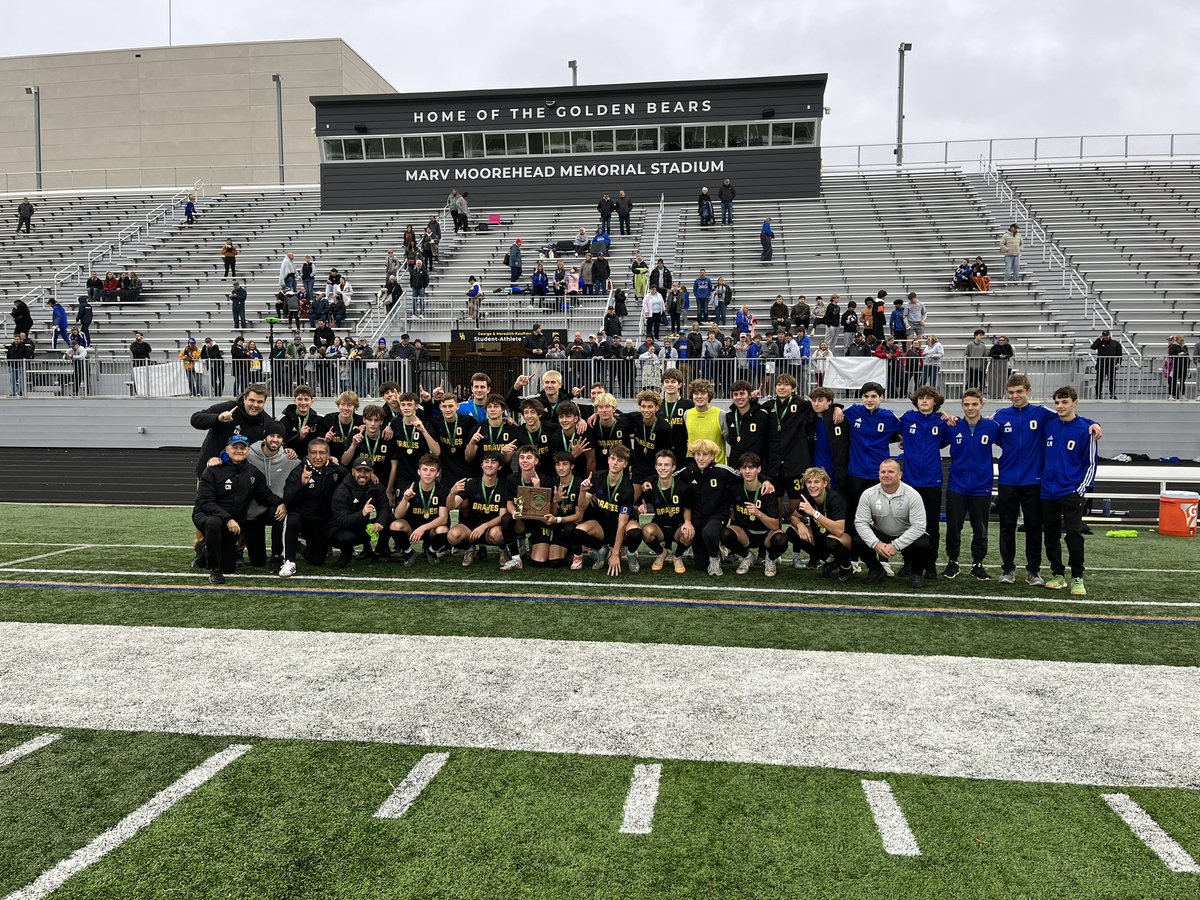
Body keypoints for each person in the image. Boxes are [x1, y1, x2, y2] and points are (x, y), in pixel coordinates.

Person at [192, 434, 285, 583]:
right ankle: (214, 570)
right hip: (207, 515)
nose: (239, 451)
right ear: (227, 449)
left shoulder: (253, 473)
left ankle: (204, 549)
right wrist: (227, 518)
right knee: (214, 523)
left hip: (233, 522)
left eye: (243, 448)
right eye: (235, 447)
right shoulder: (213, 470)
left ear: (247, 451)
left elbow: (265, 495)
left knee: (228, 566)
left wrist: (280, 503)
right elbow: (204, 502)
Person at [1040, 386, 1099, 596]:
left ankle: (1077, 577)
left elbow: (1091, 464)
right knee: (1051, 536)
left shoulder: (1086, 429)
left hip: (1071, 491)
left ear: (1075, 402)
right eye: (1057, 402)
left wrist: (1080, 490)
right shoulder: (1048, 426)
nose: (1060, 406)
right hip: (1048, 491)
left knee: (1074, 533)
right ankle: (1057, 574)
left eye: (1064, 402)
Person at [941, 389, 1001, 580]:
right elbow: (932, 440)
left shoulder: (992, 427)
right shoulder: (953, 426)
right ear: (962, 405)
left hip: (981, 487)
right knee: (953, 527)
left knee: (980, 529)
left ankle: (978, 564)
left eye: (974, 404)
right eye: (966, 404)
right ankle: (953, 562)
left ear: (982, 404)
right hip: (957, 486)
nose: (970, 408)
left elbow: (1012, 442)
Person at [853, 459, 931, 589]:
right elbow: (860, 522)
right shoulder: (868, 494)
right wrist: (876, 544)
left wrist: (896, 545)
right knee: (858, 539)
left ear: (899, 474)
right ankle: (876, 569)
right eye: (883, 472)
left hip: (904, 534)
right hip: (881, 533)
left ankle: (916, 573)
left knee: (923, 543)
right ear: (879, 474)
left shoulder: (912, 495)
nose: (886, 475)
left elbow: (919, 526)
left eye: (891, 472)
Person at [278, 438, 346, 576]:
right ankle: (289, 561)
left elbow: (353, 479)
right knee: (292, 518)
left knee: (317, 561)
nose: (318, 457)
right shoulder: (298, 471)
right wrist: (301, 484)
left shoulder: (336, 471)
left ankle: (299, 547)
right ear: (308, 454)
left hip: (320, 523)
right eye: (314, 453)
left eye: (322, 453)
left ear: (328, 454)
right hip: (302, 519)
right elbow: (288, 500)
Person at [676, 438, 743, 576]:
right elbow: (667, 476)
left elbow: (745, 475)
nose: (701, 458)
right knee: (701, 566)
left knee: (710, 532)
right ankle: (714, 548)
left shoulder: (722, 471)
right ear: (693, 455)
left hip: (717, 515)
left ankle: (715, 559)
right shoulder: (687, 472)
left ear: (713, 456)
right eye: (697, 454)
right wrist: (649, 482)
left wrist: (765, 481)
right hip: (697, 520)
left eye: (705, 454)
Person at [721, 453, 787, 577]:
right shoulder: (735, 487)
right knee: (725, 534)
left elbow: (775, 525)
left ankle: (770, 559)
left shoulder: (768, 490)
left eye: (751, 467)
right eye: (744, 468)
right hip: (746, 533)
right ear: (740, 470)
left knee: (781, 539)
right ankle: (747, 556)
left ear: (759, 469)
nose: (747, 471)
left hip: (766, 534)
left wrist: (758, 513)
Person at [246, 422, 300, 571]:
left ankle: (277, 555)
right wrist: (215, 459)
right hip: (253, 508)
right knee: (257, 561)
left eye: (279, 436)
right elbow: (231, 456)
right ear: (265, 437)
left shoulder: (290, 458)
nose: (275, 439)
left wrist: (332, 460)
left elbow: (307, 466)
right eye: (271, 435)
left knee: (278, 513)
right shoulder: (249, 454)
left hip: (276, 505)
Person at [448, 450, 515, 568]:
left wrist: (484, 526)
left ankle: (502, 549)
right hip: (471, 528)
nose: (489, 464)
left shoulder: (504, 486)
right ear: (482, 465)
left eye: (493, 462)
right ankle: (469, 549)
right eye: (486, 461)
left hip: (491, 528)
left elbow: (502, 516)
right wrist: (452, 493)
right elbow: (450, 506)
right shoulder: (471, 484)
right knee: (452, 536)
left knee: (499, 534)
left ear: (499, 467)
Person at [788, 466, 853, 580]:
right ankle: (829, 560)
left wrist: (814, 512)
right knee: (791, 532)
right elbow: (793, 517)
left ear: (825, 483)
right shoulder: (807, 498)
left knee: (831, 541)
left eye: (816, 482)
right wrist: (800, 524)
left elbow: (839, 530)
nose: (812, 486)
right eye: (809, 482)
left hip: (844, 539)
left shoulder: (835, 498)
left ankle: (846, 566)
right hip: (821, 537)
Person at [329, 458, 392, 567]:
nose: (362, 474)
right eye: (359, 471)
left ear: (372, 473)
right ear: (353, 472)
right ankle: (346, 553)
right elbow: (341, 520)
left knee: (390, 519)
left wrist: (379, 522)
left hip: (361, 526)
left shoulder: (376, 486)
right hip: (340, 529)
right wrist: (362, 513)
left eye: (366, 471)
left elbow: (384, 507)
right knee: (347, 537)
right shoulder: (342, 490)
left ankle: (379, 551)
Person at [390, 454, 452, 565]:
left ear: (437, 473)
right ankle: (409, 552)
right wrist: (405, 499)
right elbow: (397, 516)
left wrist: (423, 528)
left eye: (432, 470)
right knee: (395, 525)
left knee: (443, 530)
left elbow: (443, 518)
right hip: (411, 528)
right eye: (425, 470)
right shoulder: (410, 487)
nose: (428, 474)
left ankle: (431, 551)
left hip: (431, 528)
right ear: (419, 471)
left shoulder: (442, 489)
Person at [1090, 329, 1122, 399]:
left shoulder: (1115, 343)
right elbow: (1093, 347)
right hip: (1101, 366)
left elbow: (1119, 355)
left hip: (1111, 366)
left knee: (1112, 381)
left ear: (1109, 335)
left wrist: (1118, 363)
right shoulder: (1100, 343)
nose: (1105, 337)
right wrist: (1098, 339)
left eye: (1106, 336)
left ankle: (1112, 394)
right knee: (1099, 381)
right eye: (1104, 336)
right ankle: (1098, 394)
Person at [987, 335, 1014, 400]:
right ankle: (993, 395)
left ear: (1005, 341)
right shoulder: (995, 346)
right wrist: (999, 356)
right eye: (1000, 340)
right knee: (994, 380)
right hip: (995, 365)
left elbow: (1010, 354)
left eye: (1002, 340)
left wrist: (1005, 356)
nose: (1001, 341)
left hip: (1004, 365)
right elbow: (991, 354)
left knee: (1002, 380)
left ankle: (1001, 395)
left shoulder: (1008, 346)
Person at [6, 332, 33, 396]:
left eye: (17, 339)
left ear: (20, 340)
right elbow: (8, 356)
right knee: (13, 380)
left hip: (21, 366)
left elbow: (27, 356)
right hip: (13, 366)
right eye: (15, 339)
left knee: (21, 380)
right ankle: (13, 392)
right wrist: (9, 364)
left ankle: (21, 391)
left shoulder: (24, 347)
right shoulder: (11, 347)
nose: (16, 340)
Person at [1166, 334, 1190, 400]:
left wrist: (1188, 367)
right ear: (1177, 340)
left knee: (1183, 381)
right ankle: (1171, 395)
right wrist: (1178, 354)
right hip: (1175, 366)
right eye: (1180, 340)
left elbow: (1188, 356)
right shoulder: (1174, 346)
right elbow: (1170, 355)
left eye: (1183, 340)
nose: (1182, 342)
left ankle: (1182, 395)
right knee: (1173, 380)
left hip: (1183, 366)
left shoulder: (1185, 347)